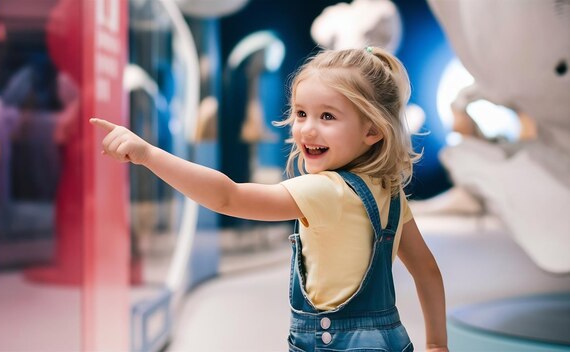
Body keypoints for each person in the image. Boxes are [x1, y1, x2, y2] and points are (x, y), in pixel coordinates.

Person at [91, 47, 448, 351]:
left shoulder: (325, 190)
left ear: (373, 129)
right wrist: (436, 343)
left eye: (327, 116)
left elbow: (228, 197)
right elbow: (426, 269)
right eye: (301, 113)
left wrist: (148, 154)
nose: (307, 128)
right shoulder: (388, 189)